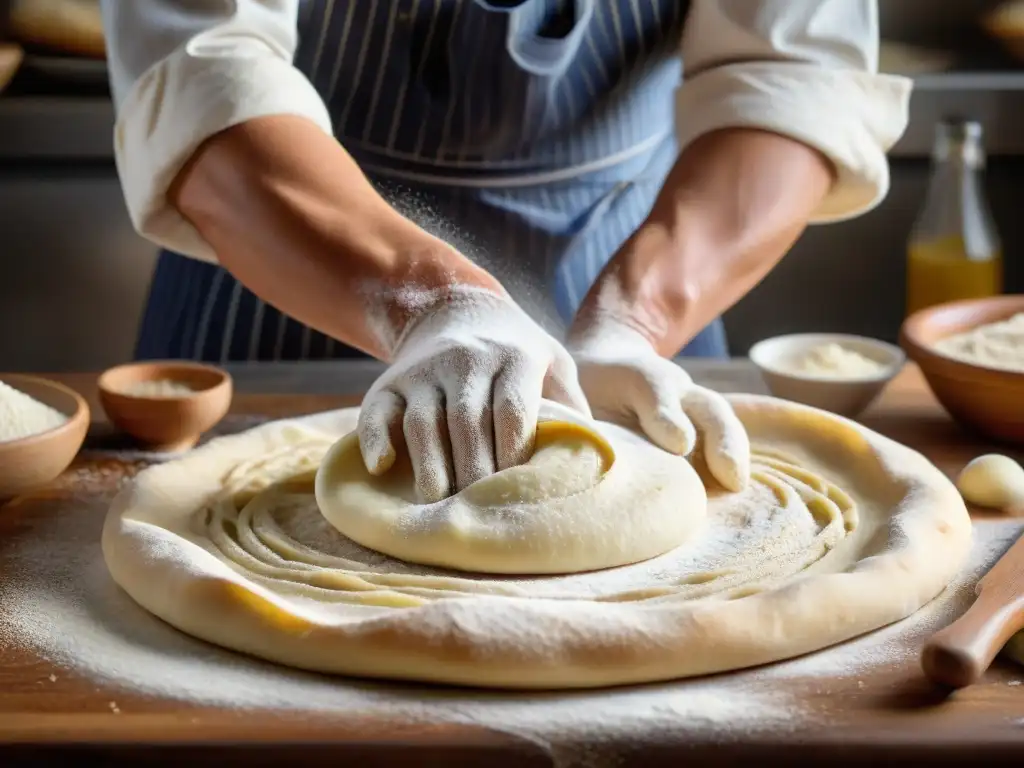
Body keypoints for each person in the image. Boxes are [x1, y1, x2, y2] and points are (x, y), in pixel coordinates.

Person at [101, 1, 909, 501]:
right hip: (285, 255)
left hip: (641, 252)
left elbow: (793, 74)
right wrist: (428, 302)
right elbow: (201, 70)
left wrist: (636, 319)